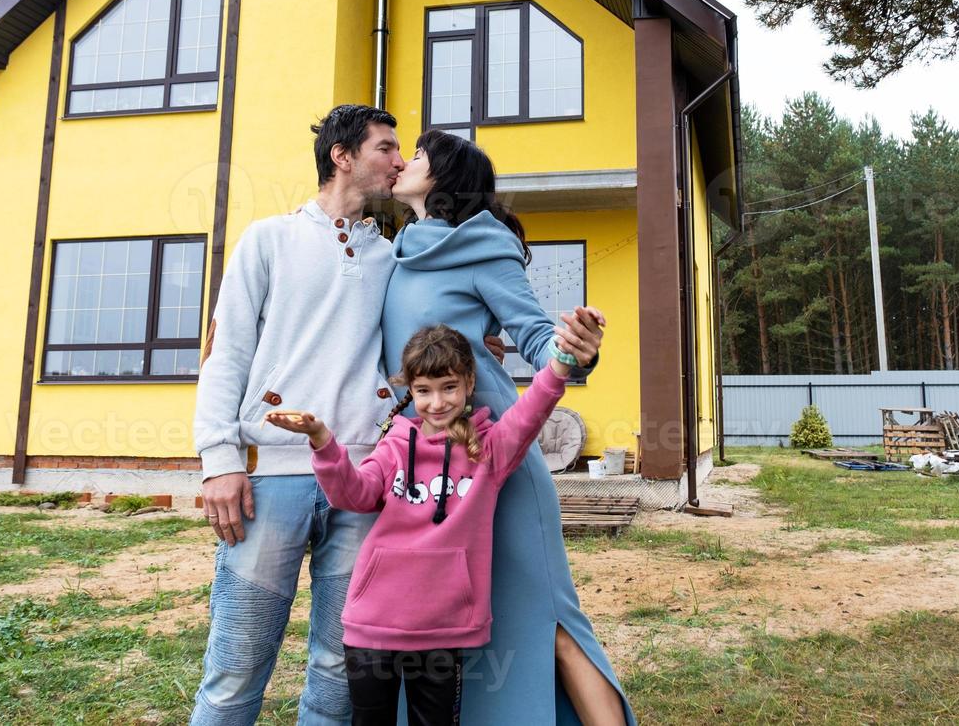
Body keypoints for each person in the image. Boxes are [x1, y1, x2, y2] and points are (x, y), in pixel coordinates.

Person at [383, 130, 633, 725]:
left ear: (443, 175)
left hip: (496, 456)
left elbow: (534, 332)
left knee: (544, 616)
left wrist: (576, 350)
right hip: (426, 464)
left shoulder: (484, 244)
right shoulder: (397, 250)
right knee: (450, 619)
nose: (403, 161)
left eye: (416, 155)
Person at [261, 318, 603, 726]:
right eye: (423, 391)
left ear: (468, 383)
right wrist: (322, 441)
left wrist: (562, 361)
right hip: (373, 624)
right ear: (411, 390)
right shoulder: (394, 445)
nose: (436, 403)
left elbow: (533, 409)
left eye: (448, 388)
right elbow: (352, 495)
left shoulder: (489, 450)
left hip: (443, 629)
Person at [189, 104, 406, 726]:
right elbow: (224, 354)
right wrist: (219, 462)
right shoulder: (268, 240)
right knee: (237, 664)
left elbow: (399, 362)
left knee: (340, 667)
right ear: (342, 155)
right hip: (268, 481)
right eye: (386, 149)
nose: (398, 162)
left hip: (360, 483)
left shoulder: (391, 258)